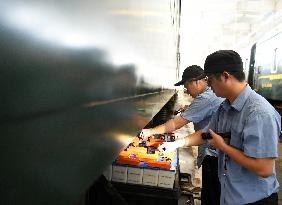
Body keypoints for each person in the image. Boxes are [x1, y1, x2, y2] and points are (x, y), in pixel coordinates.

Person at [159, 50, 281, 205]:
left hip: (254, 200)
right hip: (229, 195)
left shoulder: (259, 113)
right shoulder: (225, 107)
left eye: (210, 80)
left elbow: (264, 168)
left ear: (225, 76)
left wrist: (222, 146)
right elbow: (206, 134)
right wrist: (176, 143)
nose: (209, 86)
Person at [141, 65, 224, 205]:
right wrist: (189, 109)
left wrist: (149, 131)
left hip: (214, 156)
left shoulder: (206, 98)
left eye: (186, 85)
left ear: (196, 82)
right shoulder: (209, 95)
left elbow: (175, 124)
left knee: (212, 197)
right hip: (216, 153)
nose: (186, 90)